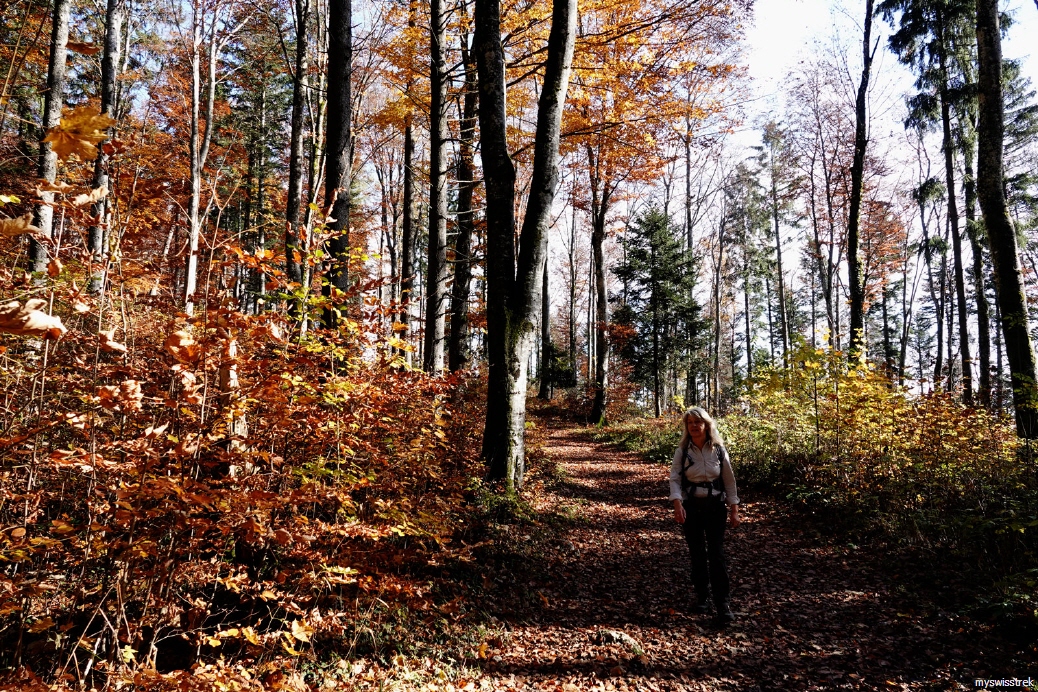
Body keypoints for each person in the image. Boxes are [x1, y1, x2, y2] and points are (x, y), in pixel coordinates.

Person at [669, 406, 741, 623]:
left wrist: (734, 509)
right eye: (690, 423)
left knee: (717, 554)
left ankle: (723, 604)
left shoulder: (719, 450)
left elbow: (729, 481)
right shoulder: (683, 452)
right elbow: (675, 479)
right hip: (691, 507)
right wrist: (677, 504)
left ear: (706, 425)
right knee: (697, 553)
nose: (694, 426)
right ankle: (702, 597)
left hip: (715, 507)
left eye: (698, 422)